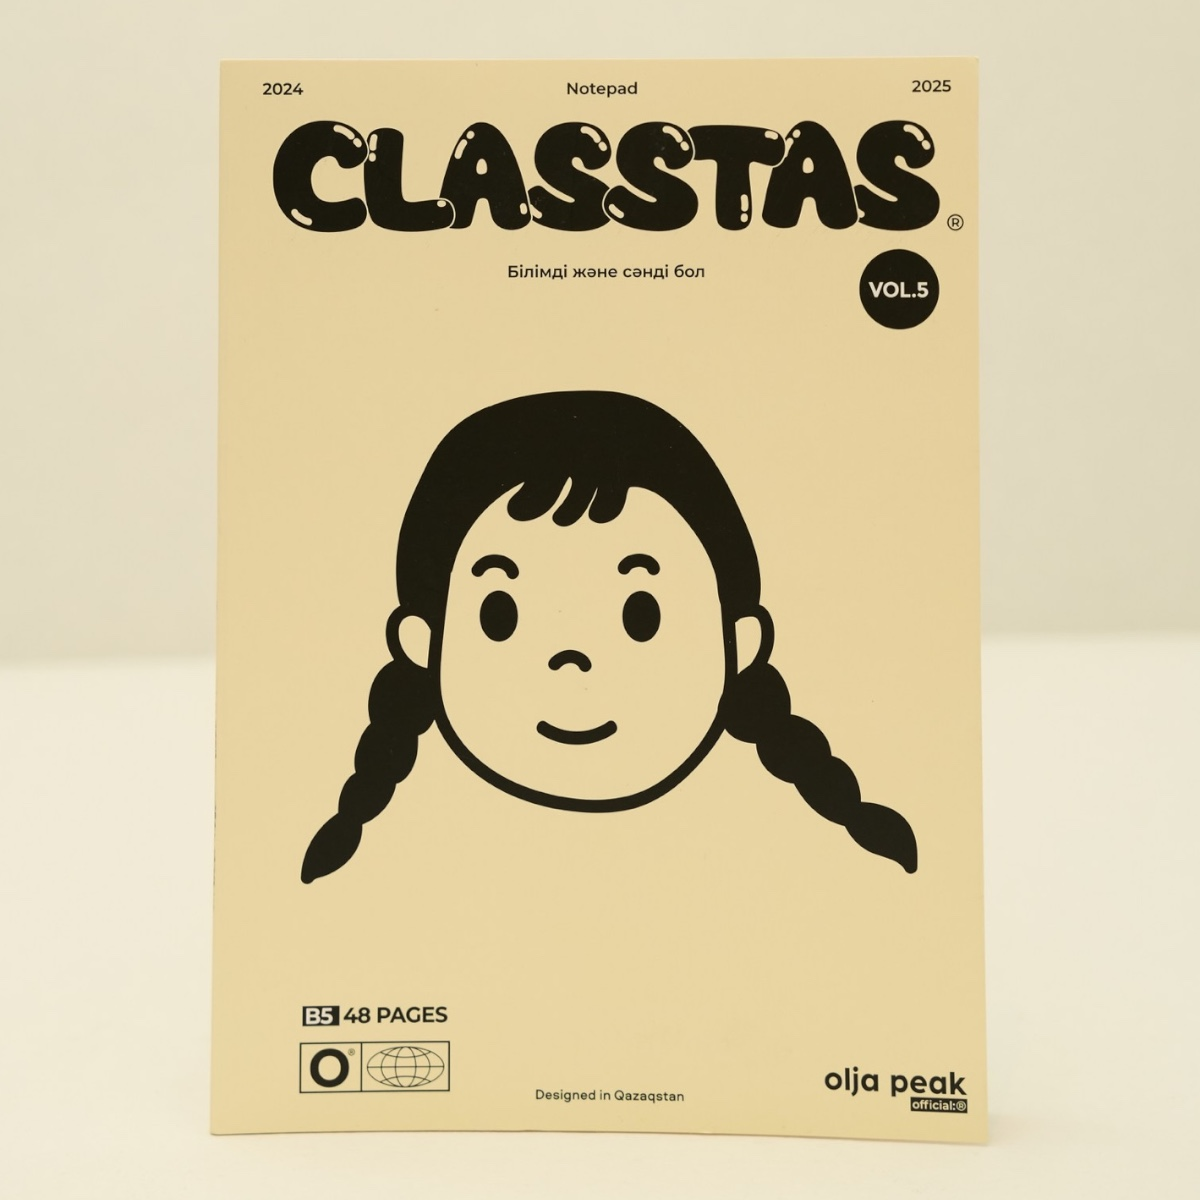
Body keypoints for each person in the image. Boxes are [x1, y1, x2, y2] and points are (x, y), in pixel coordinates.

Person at [301, 390, 917, 882]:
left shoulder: (807, 865)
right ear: (421, 644)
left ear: (742, 644)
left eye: (641, 615)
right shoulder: (387, 870)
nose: (571, 661)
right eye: (499, 615)